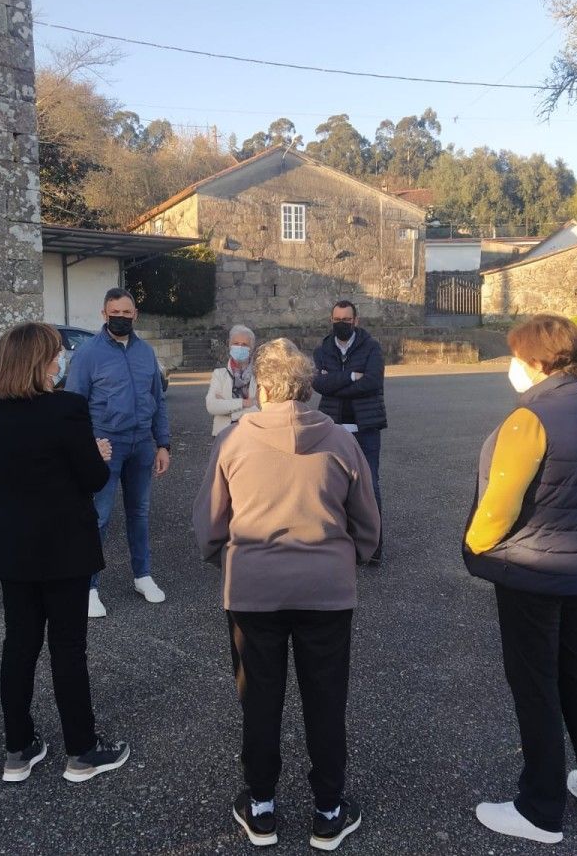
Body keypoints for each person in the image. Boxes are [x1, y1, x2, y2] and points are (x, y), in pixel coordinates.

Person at [193, 338, 380, 851]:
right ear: (307, 386)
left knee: (260, 698)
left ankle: (261, 806)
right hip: (326, 589)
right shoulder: (342, 443)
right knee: (326, 699)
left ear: (265, 387)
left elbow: (210, 524)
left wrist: (229, 560)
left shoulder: (233, 442)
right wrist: (350, 558)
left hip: (254, 590)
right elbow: (368, 523)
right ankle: (328, 809)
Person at [462, 314, 577, 846]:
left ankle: (540, 808)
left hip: (531, 570)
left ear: (536, 361)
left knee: (535, 684)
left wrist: (475, 545)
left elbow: (501, 502)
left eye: (514, 356)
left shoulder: (530, 417)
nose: (509, 366)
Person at [0, 322, 129, 786]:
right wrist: (97, 454)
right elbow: (90, 478)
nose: (62, 361)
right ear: (41, 361)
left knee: (19, 645)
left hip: (11, 544)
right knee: (68, 648)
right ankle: (82, 751)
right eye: (57, 354)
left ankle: (18, 749)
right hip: (62, 546)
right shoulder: (67, 408)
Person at [65, 288, 171, 618]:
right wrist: (85, 446)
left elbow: (158, 401)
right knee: (99, 517)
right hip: (105, 447)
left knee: (139, 514)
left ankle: (142, 575)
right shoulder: (88, 354)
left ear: (135, 315)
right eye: (115, 312)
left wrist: (163, 443)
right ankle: (89, 587)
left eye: (127, 312)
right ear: (104, 313)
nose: (121, 318)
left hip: (141, 446)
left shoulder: (145, 353)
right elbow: (73, 407)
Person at [312, 300, 387, 565]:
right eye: (336, 320)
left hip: (365, 428)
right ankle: (338, 544)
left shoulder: (371, 347)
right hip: (333, 427)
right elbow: (318, 383)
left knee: (369, 485)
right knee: (331, 486)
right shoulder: (323, 348)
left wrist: (336, 383)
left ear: (356, 320)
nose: (341, 324)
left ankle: (374, 547)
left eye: (346, 320)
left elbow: (373, 381)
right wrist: (351, 377)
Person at [206, 324, 260, 436]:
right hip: (223, 436)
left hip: (253, 434)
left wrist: (227, 407)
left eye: (244, 344)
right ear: (230, 345)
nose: (240, 347)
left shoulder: (260, 375)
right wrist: (246, 403)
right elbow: (212, 406)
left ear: (251, 348)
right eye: (236, 344)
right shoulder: (219, 374)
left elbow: (262, 408)